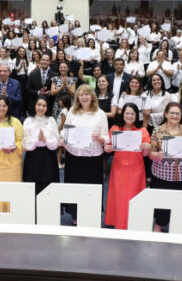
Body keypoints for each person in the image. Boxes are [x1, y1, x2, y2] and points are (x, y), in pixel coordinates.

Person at [62, 85, 109, 222]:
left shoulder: (100, 114)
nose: (84, 97)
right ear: (78, 97)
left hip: (92, 158)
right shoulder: (72, 112)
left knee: (92, 187)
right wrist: (63, 138)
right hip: (74, 156)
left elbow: (106, 137)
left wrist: (100, 138)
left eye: (87, 94)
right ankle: (75, 215)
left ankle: (91, 214)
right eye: (81, 94)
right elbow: (65, 131)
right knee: (74, 187)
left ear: (92, 96)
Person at [104, 103, 151, 230]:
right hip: (119, 167)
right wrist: (107, 148)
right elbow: (108, 148)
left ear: (136, 116)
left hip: (137, 169)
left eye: (132, 114)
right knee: (118, 197)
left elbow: (145, 154)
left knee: (135, 197)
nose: (129, 116)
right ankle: (118, 223)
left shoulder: (142, 131)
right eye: (127, 113)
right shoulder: (115, 129)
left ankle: (134, 224)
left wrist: (147, 148)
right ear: (122, 114)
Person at [149, 102, 182, 231]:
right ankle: (158, 225)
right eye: (172, 113)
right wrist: (156, 155)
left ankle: (178, 228)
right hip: (161, 174)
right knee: (161, 202)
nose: (175, 116)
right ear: (166, 114)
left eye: (177, 113)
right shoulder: (157, 131)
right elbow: (151, 153)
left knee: (180, 203)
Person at [22, 95, 60, 193]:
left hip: (49, 157)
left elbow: (56, 142)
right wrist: (37, 140)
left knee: (49, 187)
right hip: (32, 158)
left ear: (47, 107)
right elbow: (25, 142)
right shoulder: (28, 121)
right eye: (39, 105)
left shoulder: (51, 120)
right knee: (32, 187)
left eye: (44, 105)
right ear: (34, 105)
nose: (41, 108)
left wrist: (45, 140)